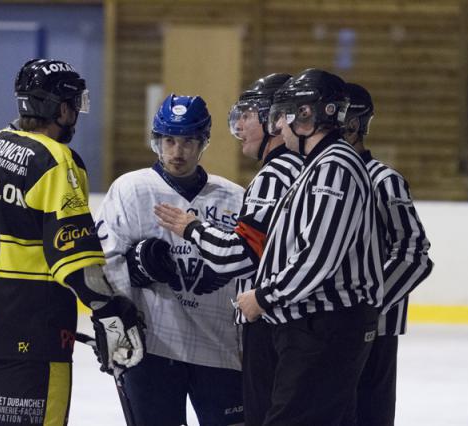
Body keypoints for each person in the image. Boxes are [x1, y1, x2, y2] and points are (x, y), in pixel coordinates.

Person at [0, 58, 145, 426]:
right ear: (61, 108)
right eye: (73, 105)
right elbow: (74, 257)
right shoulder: (54, 161)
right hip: (33, 337)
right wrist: (109, 310)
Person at [236, 68, 384, 426]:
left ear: (309, 115)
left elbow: (318, 257)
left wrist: (264, 297)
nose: (279, 126)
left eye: (285, 114)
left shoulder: (336, 167)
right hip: (314, 326)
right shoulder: (317, 166)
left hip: (326, 328)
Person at [154, 73, 304, 426]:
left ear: (274, 119)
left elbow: (237, 256)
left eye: (248, 115)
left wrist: (191, 227)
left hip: (279, 330)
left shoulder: (275, 174)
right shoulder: (309, 167)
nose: (239, 126)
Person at [95, 94, 245, 426]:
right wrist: (118, 323)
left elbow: (249, 266)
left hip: (218, 348)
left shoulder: (234, 198)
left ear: (203, 142)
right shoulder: (131, 190)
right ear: (157, 141)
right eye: (169, 140)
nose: (178, 152)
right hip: (152, 349)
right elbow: (104, 260)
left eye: (188, 141)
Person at [343, 82, 434, 426]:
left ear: (355, 123)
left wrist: (367, 307)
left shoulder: (383, 180)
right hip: (330, 331)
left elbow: (414, 254)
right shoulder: (322, 178)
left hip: (373, 333)